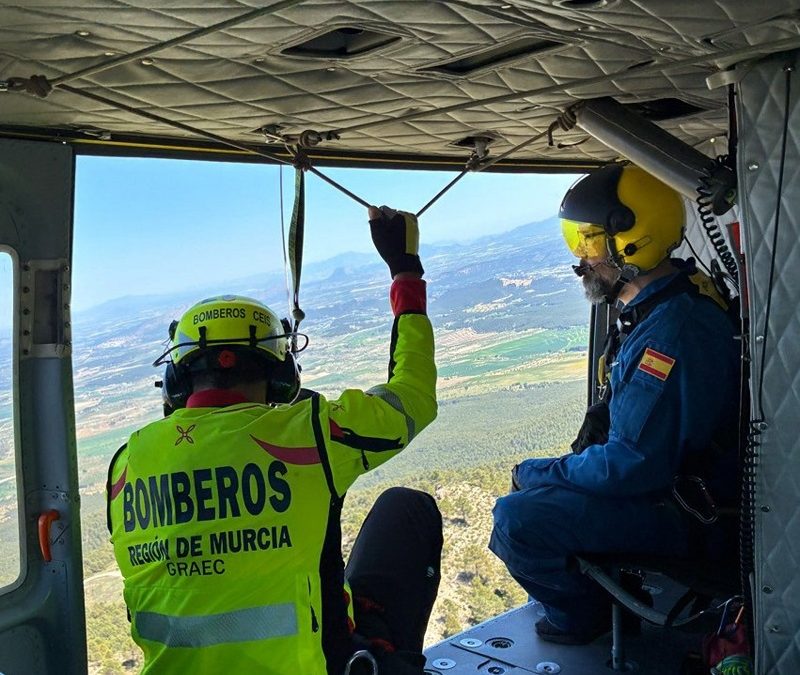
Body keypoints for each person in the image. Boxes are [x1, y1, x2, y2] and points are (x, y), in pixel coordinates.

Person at [106, 206, 441, 674]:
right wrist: (405, 270)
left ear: (177, 380)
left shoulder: (123, 467)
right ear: (282, 376)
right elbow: (413, 396)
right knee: (407, 509)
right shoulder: (309, 434)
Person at [489, 164, 740, 645]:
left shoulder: (670, 333)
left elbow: (631, 466)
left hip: (689, 513)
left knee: (517, 520)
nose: (580, 259)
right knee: (532, 495)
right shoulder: (666, 304)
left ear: (631, 242)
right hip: (674, 488)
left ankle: (583, 618)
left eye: (588, 242)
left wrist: (538, 472)